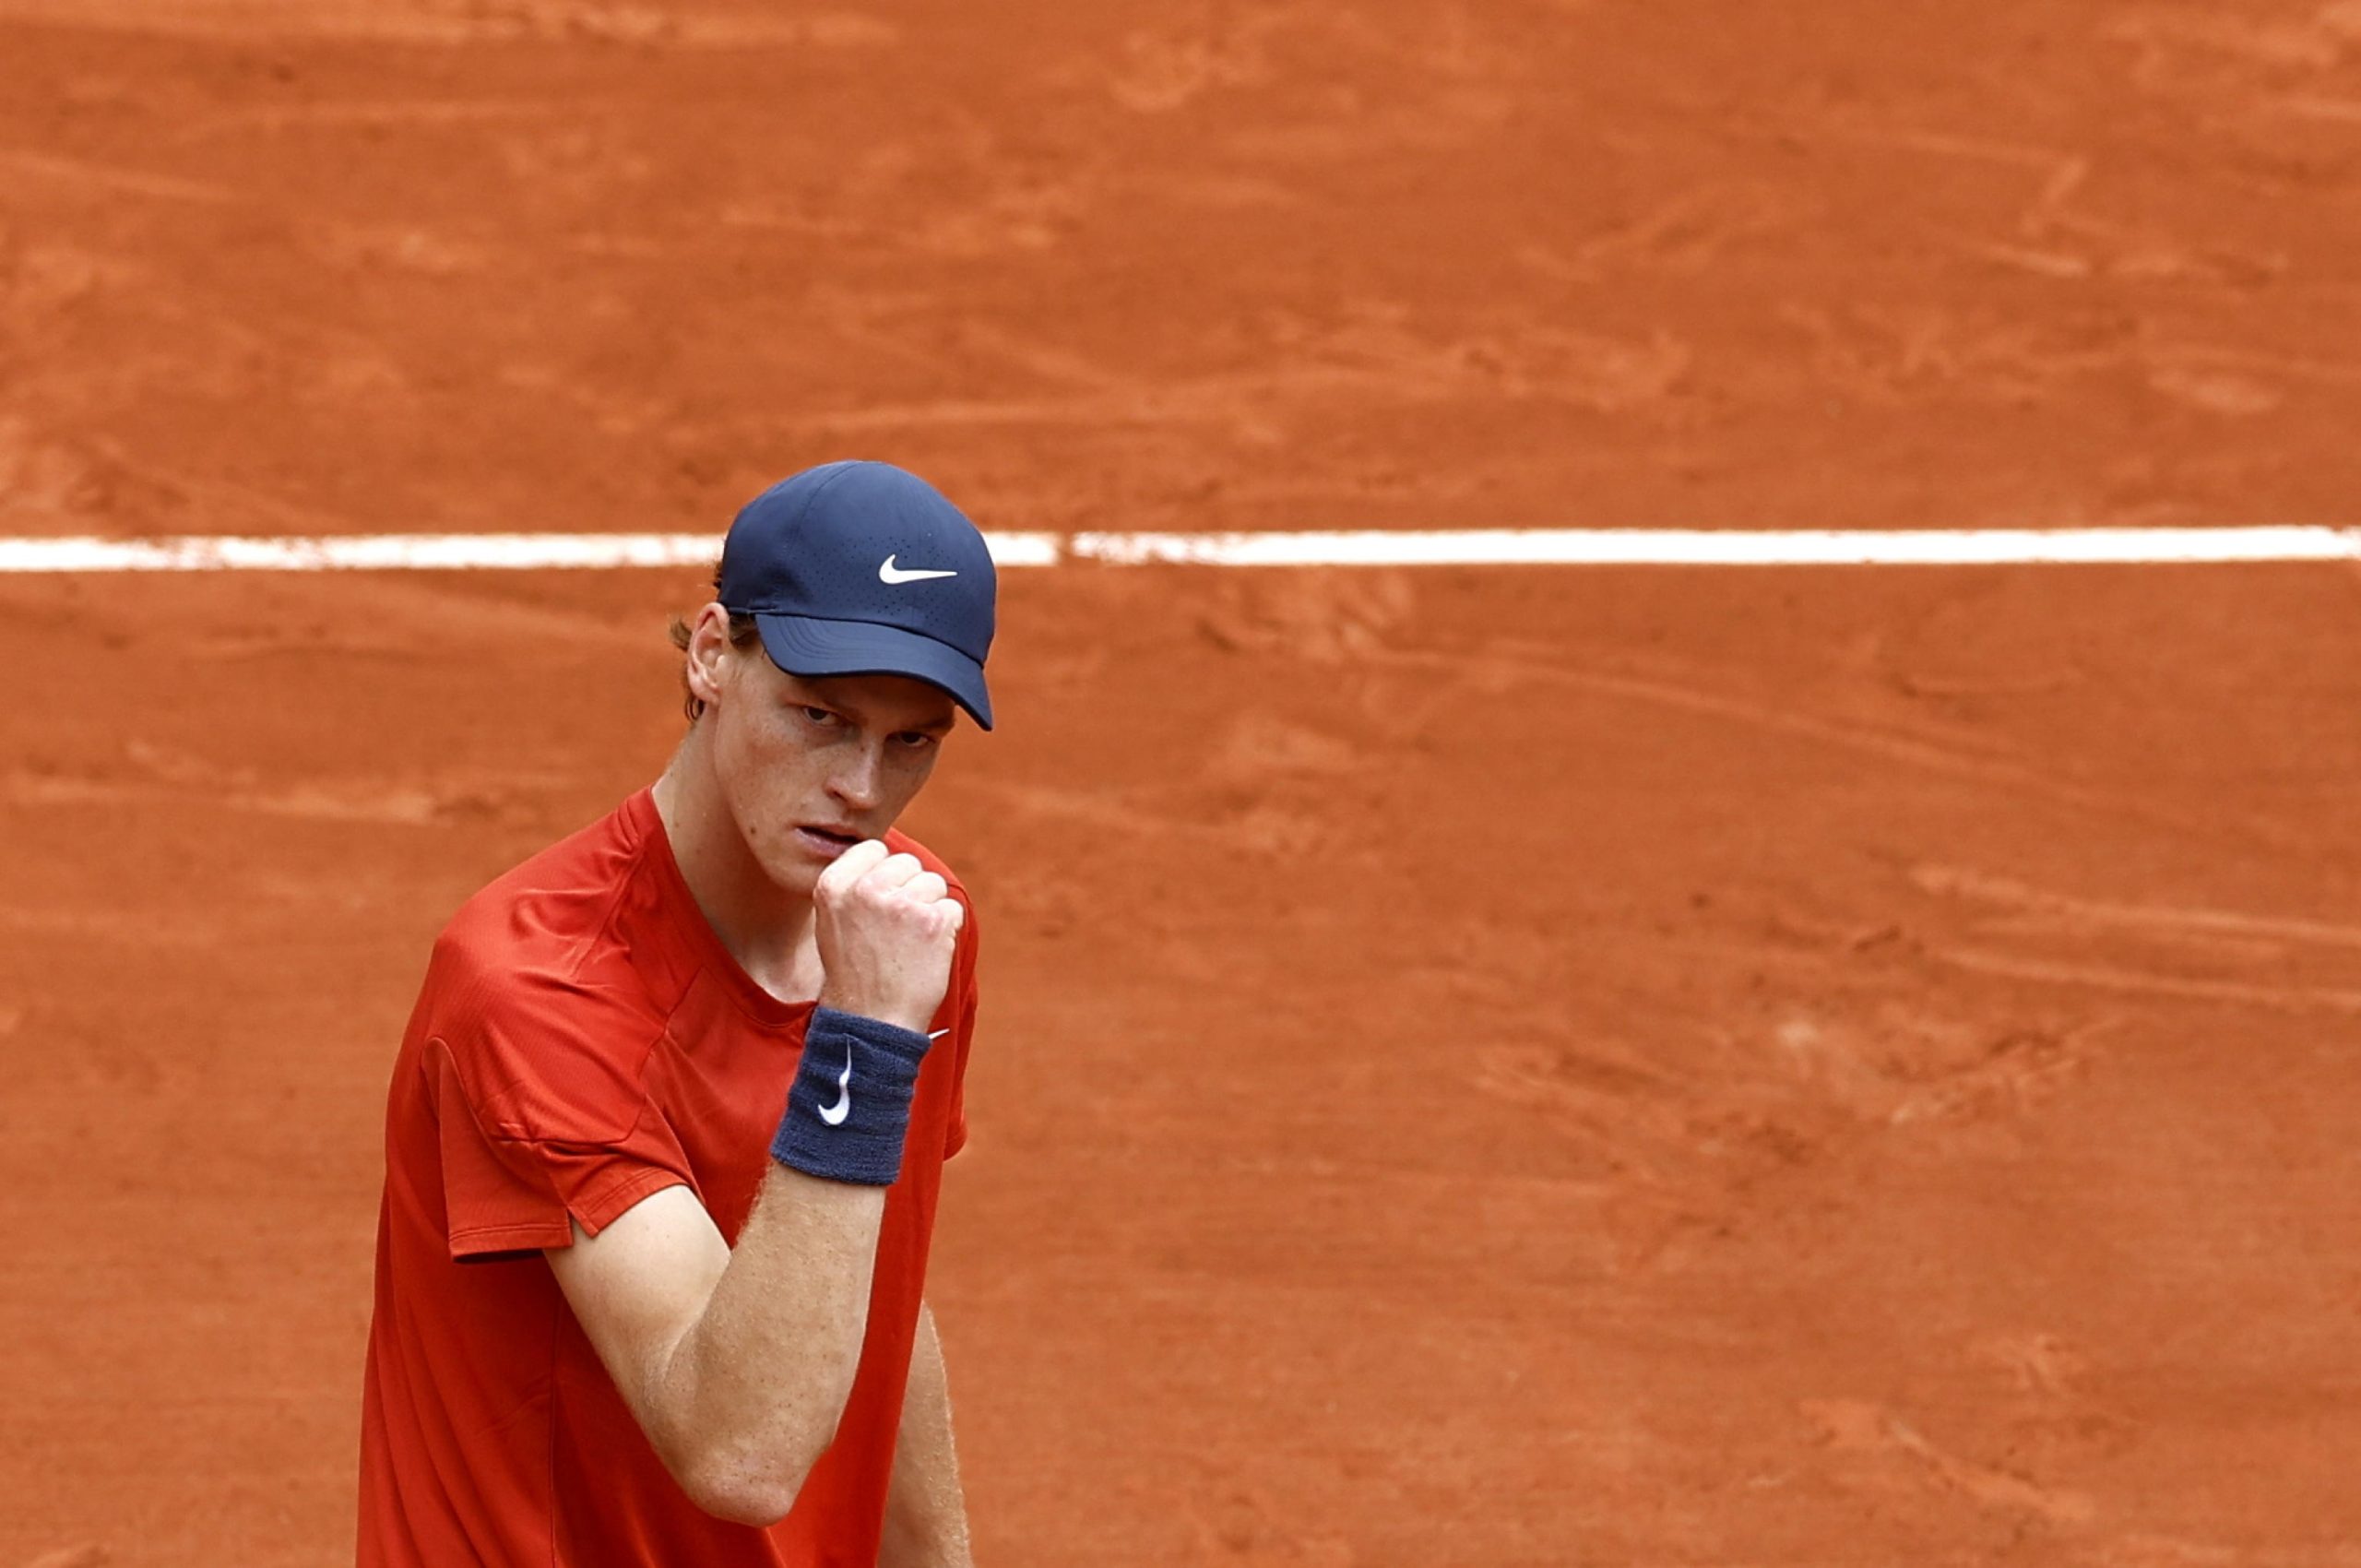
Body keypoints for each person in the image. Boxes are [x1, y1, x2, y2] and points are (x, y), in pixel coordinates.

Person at [357, 459, 999, 1566]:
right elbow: (735, 1449)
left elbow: (873, 1289)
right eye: (819, 714)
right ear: (711, 654)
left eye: (912, 739)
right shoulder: (535, 986)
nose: (860, 787)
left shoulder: (899, 935)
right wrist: (866, 1044)